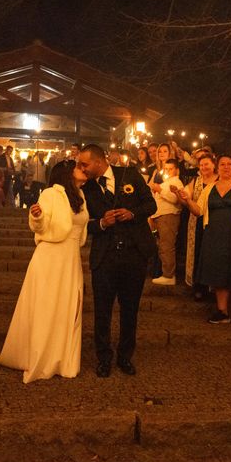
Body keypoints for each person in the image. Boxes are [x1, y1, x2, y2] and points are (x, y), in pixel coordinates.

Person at [0, 160, 89, 383]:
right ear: (67, 173)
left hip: (71, 257)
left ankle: (63, 358)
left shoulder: (80, 196)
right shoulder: (50, 193)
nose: (83, 170)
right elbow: (40, 223)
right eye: (78, 167)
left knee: (68, 307)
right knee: (46, 306)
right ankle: (40, 356)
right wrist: (36, 216)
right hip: (51, 256)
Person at [78, 144, 157, 377]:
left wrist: (133, 214)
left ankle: (125, 356)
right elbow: (82, 223)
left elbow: (150, 205)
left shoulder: (129, 174)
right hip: (105, 256)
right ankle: (103, 357)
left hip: (134, 253)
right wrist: (102, 223)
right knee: (102, 310)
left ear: (99, 161)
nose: (81, 168)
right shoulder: (87, 189)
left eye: (85, 164)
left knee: (130, 309)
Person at [184, 154, 231, 327]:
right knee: (219, 271)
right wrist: (187, 200)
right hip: (214, 234)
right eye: (222, 164)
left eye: (229, 164)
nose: (226, 167)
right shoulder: (209, 187)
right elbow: (199, 210)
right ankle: (222, 311)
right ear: (217, 167)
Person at [175, 153, 217, 299]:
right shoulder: (196, 181)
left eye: (207, 164)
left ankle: (213, 287)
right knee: (198, 252)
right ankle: (199, 286)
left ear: (213, 165)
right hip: (197, 221)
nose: (204, 167)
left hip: (214, 221)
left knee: (212, 253)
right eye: (201, 165)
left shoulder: (219, 181)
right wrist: (180, 194)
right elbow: (186, 198)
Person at [150, 159, 184, 285]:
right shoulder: (166, 182)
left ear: (176, 170)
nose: (168, 171)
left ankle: (169, 275)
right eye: (166, 169)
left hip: (169, 216)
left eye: (171, 169)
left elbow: (176, 199)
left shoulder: (177, 182)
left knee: (167, 246)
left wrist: (160, 190)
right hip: (161, 215)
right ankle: (166, 273)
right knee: (163, 246)